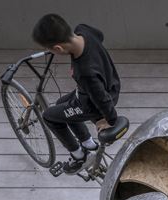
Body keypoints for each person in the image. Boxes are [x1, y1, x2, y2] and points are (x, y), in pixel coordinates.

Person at [32, 14, 121, 174]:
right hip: (111, 83)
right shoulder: (84, 30)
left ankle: (79, 156)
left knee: (49, 116)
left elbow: (100, 97)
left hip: (92, 104)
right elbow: (100, 36)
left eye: (48, 48)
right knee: (61, 104)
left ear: (58, 48)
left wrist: (109, 119)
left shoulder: (84, 71)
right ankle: (88, 144)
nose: (48, 51)